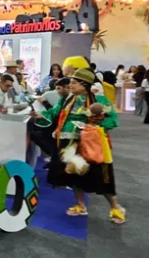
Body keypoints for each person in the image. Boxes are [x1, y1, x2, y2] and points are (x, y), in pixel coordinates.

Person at [30, 69, 126, 224]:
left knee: (101, 177)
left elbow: (113, 120)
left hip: (90, 145)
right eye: (70, 83)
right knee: (73, 175)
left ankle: (116, 208)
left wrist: (95, 124)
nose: (70, 85)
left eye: (74, 83)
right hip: (68, 144)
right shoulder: (67, 99)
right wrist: (40, 115)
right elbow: (53, 114)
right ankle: (80, 205)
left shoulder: (99, 100)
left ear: (84, 85)